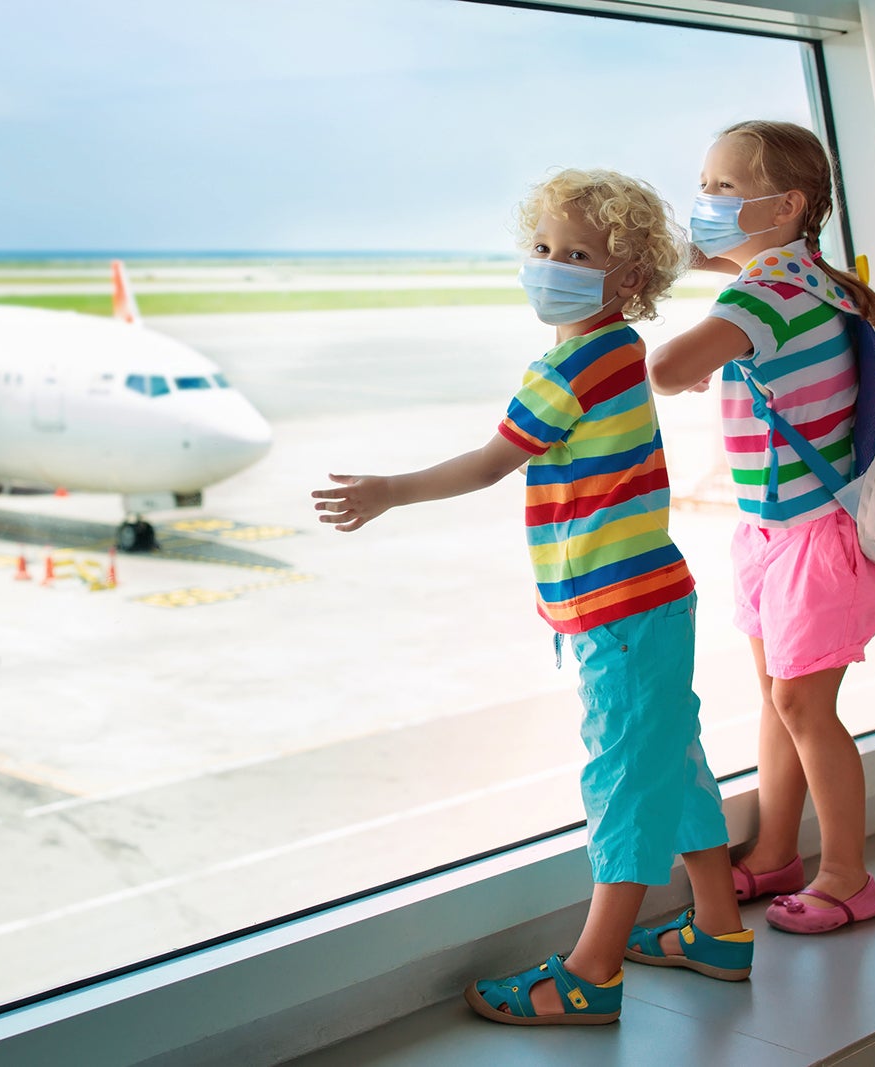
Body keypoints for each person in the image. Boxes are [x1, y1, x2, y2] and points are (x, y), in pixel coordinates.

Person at [312, 168, 751, 1026]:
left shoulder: (574, 365)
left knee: (625, 776)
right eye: (545, 247)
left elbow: (489, 461)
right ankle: (718, 929)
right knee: (674, 759)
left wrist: (387, 490)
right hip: (650, 598)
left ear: (628, 277)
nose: (550, 263)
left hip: (617, 611)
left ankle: (591, 972)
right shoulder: (614, 346)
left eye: (577, 253)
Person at [646, 120, 875, 934]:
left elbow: (670, 370)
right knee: (781, 701)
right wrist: (648, 252)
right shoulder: (807, 273)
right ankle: (778, 850)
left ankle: (848, 876)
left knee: (803, 706)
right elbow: (719, 262)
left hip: (813, 539)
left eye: (722, 188)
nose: (705, 203)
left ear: (785, 204)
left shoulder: (766, 293)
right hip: (773, 529)